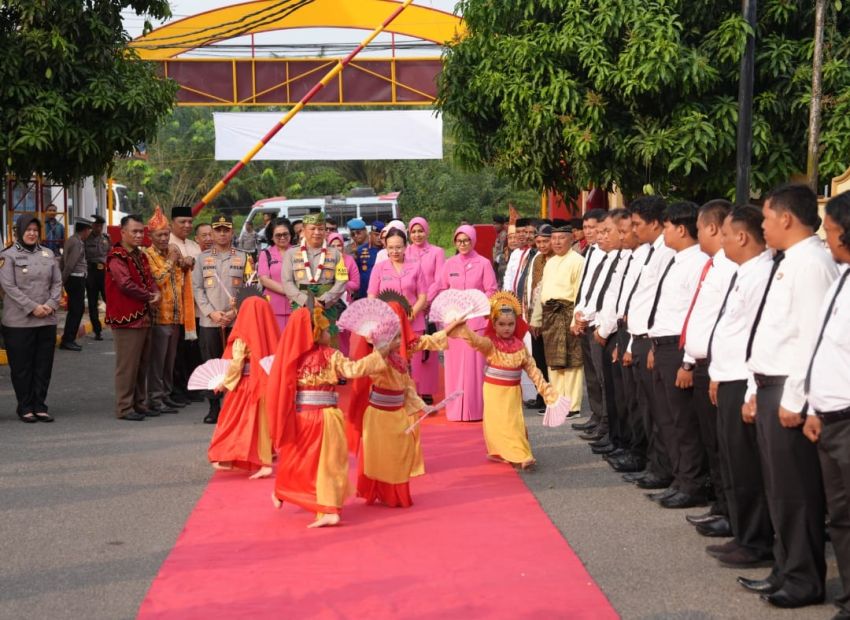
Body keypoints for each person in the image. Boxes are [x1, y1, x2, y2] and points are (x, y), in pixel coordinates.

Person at [740, 183, 837, 608]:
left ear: (785, 217)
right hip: (770, 385)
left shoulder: (811, 262)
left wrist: (795, 399)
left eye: (765, 217)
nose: (762, 225)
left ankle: (804, 578)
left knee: (795, 491)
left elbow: (813, 339)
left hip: (788, 387)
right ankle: (785, 568)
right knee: (778, 488)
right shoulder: (790, 260)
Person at [267, 307, 387, 528]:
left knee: (298, 459)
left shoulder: (292, 358)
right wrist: (378, 353)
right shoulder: (331, 355)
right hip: (326, 418)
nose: (328, 332)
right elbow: (354, 370)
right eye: (324, 329)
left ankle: (284, 492)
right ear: (315, 332)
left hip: (302, 417)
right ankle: (328, 509)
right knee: (329, 464)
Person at [706, 205, 775, 567]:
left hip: (744, 379)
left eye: (728, 235)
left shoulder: (761, 274)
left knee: (747, 467)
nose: (724, 242)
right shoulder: (744, 272)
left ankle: (756, 541)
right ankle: (743, 533)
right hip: (728, 376)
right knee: (733, 462)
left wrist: (750, 390)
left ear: (743, 237)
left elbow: (756, 337)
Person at [349, 302, 456, 507]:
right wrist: (378, 351)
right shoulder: (376, 359)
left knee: (397, 455)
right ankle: (383, 492)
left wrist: (423, 407)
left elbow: (407, 387)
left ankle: (395, 493)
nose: (400, 341)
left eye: (400, 335)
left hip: (397, 413)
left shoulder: (399, 359)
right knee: (381, 457)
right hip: (379, 416)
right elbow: (358, 370)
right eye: (395, 337)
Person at [802, 191, 850, 619]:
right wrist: (816, 407)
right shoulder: (842, 279)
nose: (826, 238)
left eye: (831, 231)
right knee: (840, 517)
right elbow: (824, 350)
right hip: (831, 417)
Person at [643, 202, 710, 509]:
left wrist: (687, 360)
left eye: (667, 226)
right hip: (663, 345)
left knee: (683, 422)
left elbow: (693, 313)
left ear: (681, 229)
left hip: (680, 347)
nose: (664, 231)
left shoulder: (697, 262)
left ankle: (692, 483)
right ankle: (679, 478)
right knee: (667, 419)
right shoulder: (675, 260)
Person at [678, 200, 736, 530]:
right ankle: (722, 505)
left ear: (712, 228)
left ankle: (730, 511)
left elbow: (724, 322)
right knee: (712, 442)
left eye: (699, 228)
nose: (697, 234)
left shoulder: (729, 267)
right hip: (702, 362)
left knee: (721, 444)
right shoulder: (715, 265)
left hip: (718, 365)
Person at [454, 292, 560, 469]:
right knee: (498, 423)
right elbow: (475, 341)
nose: (506, 328)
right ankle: (513, 454)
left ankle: (516, 453)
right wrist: (463, 327)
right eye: (501, 324)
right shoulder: (490, 343)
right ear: (493, 324)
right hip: (494, 391)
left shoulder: (520, 347)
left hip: (512, 392)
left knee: (513, 422)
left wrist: (547, 393)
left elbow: (534, 371)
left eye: (511, 324)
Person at [620, 196, 676, 491]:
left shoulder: (666, 252)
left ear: (655, 223)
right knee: (647, 409)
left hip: (654, 339)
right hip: (640, 336)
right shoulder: (651, 252)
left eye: (638, 224)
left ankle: (664, 469)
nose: (634, 230)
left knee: (660, 413)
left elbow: (660, 301)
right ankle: (656, 466)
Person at [429, 225, 498, 421]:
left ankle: (476, 409)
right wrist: (428, 302)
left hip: (475, 323)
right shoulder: (449, 264)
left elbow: (491, 290)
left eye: (466, 240)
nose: (463, 244)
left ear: (473, 241)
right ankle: (455, 410)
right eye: (459, 241)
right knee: (453, 369)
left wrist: (475, 307)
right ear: (454, 243)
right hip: (453, 324)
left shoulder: (483, 263)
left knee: (475, 369)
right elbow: (441, 287)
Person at [207, 297, 280, 479]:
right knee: (260, 423)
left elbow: (236, 364)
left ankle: (227, 454)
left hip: (244, 385)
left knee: (232, 421)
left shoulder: (243, 336)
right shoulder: (269, 334)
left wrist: (224, 384)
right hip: (263, 383)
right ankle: (265, 454)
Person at [0, 214, 63, 422]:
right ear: (19, 231)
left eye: (35, 230)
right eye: (28, 230)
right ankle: (25, 406)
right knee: (22, 367)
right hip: (19, 322)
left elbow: (57, 283)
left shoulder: (48, 254)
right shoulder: (8, 256)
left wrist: (51, 304)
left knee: (43, 366)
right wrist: (33, 307)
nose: (32, 233)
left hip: (46, 319)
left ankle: (40, 405)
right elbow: (9, 287)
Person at [193, 214, 250, 424]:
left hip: (236, 320)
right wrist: (211, 312)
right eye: (218, 230)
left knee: (237, 364)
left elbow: (251, 288)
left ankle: (234, 407)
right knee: (212, 363)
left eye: (226, 229)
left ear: (232, 231)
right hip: (210, 320)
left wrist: (234, 312)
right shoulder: (202, 258)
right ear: (213, 233)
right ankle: (214, 408)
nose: (222, 233)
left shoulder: (244, 257)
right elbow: (197, 289)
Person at [106, 215, 160, 421]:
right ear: (123, 233)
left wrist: (155, 292)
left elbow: (150, 278)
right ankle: (124, 407)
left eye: (141, 232)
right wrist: (150, 296)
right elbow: (125, 284)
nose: (139, 235)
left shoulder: (140, 255)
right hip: (126, 318)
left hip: (143, 315)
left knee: (142, 363)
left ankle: (139, 403)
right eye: (134, 232)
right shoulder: (116, 256)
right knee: (127, 366)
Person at [530, 221, 585, 412]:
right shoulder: (550, 262)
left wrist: (575, 320)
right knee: (553, 361)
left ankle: (573, 405)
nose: (557, 242)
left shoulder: (578, 261)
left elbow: (580, 293)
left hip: (568, 313)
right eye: (554, 238)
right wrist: (536, 319)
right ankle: (557, 402)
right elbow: (541, 292)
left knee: (571, 362)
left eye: (562, 238)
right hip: (549, 315)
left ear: (571, 239)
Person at [144, 207, 194, 415]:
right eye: (160, 235)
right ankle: (155, 398)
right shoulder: (149, 255)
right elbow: (157, 279)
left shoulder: (172, 252)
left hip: (175, 315)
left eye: (166, 234)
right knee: (158, 361)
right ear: (151, 236)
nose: (164, 238)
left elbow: (180, 278)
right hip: (160, 317)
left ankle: (166, 394)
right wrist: (173, 261)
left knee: (169, 360)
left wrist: (183, 262)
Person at [367, 228, 429, 385]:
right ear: (386, 247)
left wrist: (412, 313)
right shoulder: (379, 268)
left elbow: (423, 296)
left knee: (414, 365)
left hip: (413, 323)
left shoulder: (416, 267)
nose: (395, 251)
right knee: (392, 365)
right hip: (388, 326)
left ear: (406, 246)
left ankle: (416, 400)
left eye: (399, 247)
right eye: (391, 247)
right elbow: (372, 296)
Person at [280, 212, 348, 343]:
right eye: (312, 228)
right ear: (304, 230)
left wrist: (324, 300)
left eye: (321, 229)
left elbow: (342, 280)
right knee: (303, 344)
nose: (317, 232)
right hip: (302, 307)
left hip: (328, 306)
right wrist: (305, 300)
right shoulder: (291, 254)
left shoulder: (336, 254)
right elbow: (287, 282)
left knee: (329, 345)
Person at [406, 216, 446, 402]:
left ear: (427, 231)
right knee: (411, 349)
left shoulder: (437, 252)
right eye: (413, 231)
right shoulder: (405, 251)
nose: (417, 235)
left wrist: (426, 301)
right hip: (410, 307)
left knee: (428, 349)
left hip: (431, 306)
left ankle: (428, 390)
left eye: (420, 231)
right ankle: (413, 387)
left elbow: (439, 279)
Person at [169, 207, 203, 405]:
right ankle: (176, 389)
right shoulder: (167, 243)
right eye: (182, 222)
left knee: (192, 349)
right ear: (173, 222)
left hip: (195, 306)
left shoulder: (194, 245)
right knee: (176, 351)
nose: (187, 226)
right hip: (175, 306)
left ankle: (192, 387)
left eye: (190, 222)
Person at [523, 222, 553, 411]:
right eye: (539, 241)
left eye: (545, 241)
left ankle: (552, 397)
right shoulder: (536, 259)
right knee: (538, 359)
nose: (542, 245)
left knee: (552, 360)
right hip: (534, 315)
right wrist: (530, 314)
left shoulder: (556, 259)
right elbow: (530, 286)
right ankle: (541, 396)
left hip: (551, 317)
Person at [59, 217, 93, 351]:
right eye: (88, 230)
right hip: (75, 279)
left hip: (73, 279)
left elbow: (62, 261)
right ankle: (68, 340)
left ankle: (68, 339)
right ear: (85, 231)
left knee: (75, 310)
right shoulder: (77, 243)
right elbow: (70, 265)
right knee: (76, 311)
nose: (89, 233)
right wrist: (62, 281)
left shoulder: (71, 240)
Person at [257, 218, 295, 331]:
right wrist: (289, 291)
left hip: (296, 305)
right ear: (272, 237)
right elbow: (264, 279)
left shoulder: (299, 252)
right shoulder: (265, 254)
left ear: (291, 234)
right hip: (272, 307)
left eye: (285, 234)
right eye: (278, 235)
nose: (282, 238)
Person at [327, 231, 360, 355]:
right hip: (328, 305)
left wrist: (341, 284)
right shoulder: (323, 262)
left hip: (346, 305)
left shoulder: (349, 260)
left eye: (339, 245)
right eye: (333, 245)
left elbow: (356, 284)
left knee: (346, 337)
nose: (336, 248)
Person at [84, 214, 110, 341]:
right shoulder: (86, 239)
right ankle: (97, 331)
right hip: (91, 272)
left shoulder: (106, 238)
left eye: (100, 226)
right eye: (96, 225)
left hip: (104, 272)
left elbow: (110, 254)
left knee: (109, 300)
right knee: (93, 302)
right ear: (92, 226)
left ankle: (115, 325)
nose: (98, 228)